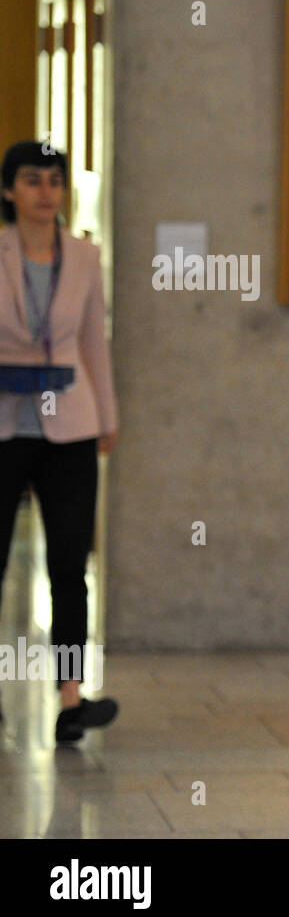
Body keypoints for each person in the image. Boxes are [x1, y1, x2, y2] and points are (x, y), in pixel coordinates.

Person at [0, 141, 120, 744]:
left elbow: (95, 340)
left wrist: (108, 414)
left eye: (54, 180)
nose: (46, 191)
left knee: (70, 563)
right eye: (31, 179)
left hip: (69, 422)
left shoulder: (84, 256)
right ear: (9, 191)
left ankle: (71, 697)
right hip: (3, 422)